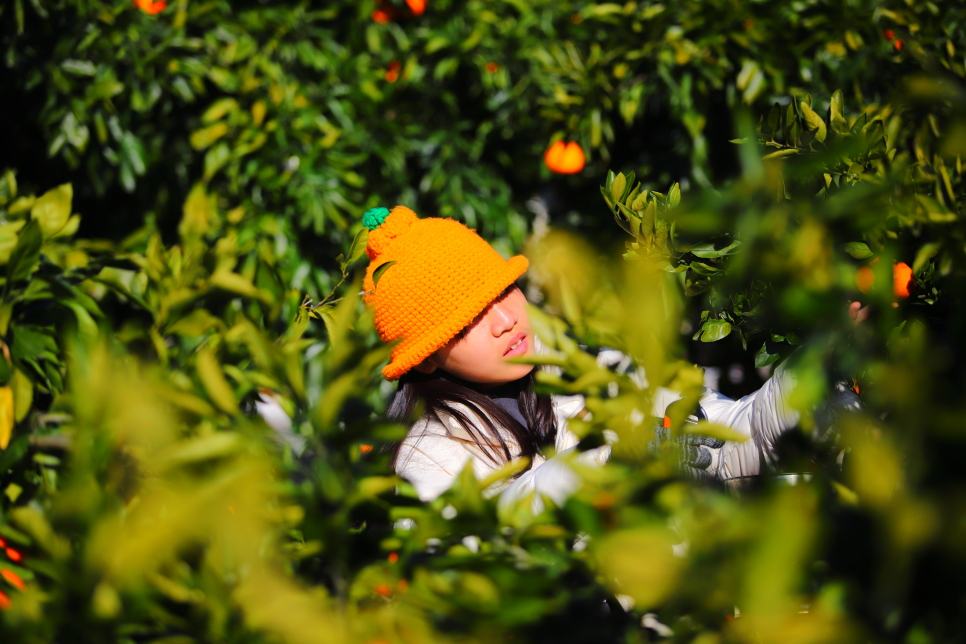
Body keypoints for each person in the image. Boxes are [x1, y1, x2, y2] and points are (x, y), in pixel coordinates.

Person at [361, 205, 858, 509]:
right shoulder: (427, 458)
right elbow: (488, 542)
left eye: (501, 293)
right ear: (425, 359)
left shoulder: (597, 377)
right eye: (467, 321)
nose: (503, 320)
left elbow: (734, 443)